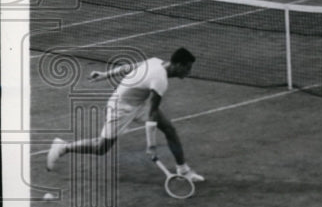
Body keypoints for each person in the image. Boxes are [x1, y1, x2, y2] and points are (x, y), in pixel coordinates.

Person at [46, 48, 204, 184]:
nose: (189, 72)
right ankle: (63, 147)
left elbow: (129, 67)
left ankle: (183, 170)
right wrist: (151, 145)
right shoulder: (160, 79)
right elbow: (153, 113)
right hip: (121, 107)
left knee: (169, 128)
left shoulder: (156, 61)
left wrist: (105, 74)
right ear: (177, 65)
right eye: (187, 68)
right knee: (101, 147)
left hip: (138, 102)